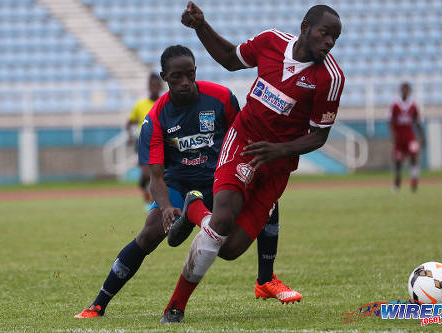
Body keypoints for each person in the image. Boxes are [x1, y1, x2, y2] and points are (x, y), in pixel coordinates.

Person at [74, 45, 300, 319]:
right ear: (164, 77)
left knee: (268, 199)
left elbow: (241, 136)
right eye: (176, 77)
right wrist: (167, 206)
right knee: (149, 232)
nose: (184, 82)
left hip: (220, 178)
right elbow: (155, 176)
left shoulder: (221, 98)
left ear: (195, 72)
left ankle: (266, 279)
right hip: (179, 184)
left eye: (189, 75)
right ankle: (98, 304)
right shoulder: (156, 117)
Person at [161, 2, 344, 323]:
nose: (329, 42)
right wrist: (201, 26)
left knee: (230, 249)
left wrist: (279, 150)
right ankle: (176, 306)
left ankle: (194, 209)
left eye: (335, 38)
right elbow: (231, 59)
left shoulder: (330, 79)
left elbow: (318, 137)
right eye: (324, 33)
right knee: (221, 224)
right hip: (242, 143)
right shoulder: (272, 41)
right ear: (305, 28)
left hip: (277, 166)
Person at [126, 73, 163, 209]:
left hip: (162, 143)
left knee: (160, 173)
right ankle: (147, 200)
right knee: (146, 174)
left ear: (160, 86)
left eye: (157, 85)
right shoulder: (140, 104)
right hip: (144, 143)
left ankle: (156, 201)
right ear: (149, 87)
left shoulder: (165, 102)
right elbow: (129, 122)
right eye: (152, 86)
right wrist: (130, 135)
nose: (154, 88)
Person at [389, 82, 426, 193]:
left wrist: (422, 136)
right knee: (398, 161)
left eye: (407, 89)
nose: (405, 91)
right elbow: (390, 121)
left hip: (410, 137)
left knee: (414, 157)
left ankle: (414, 181)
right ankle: (397, 183)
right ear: (401, 90)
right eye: (404, 89)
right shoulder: (395, 105)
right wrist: (393, 134)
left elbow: (417, 122)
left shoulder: (413, 105)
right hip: (399, 139)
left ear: (409, 91)